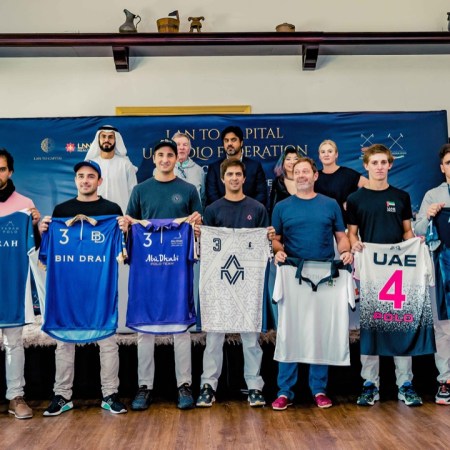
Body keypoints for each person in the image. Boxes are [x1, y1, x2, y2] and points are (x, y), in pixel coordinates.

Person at [39, 160, 127, 416]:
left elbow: (123, 250)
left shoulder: (112, 210)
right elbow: (48, 250)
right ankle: (62, 395)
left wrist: (124, 230)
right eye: (81, 176)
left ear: (100, 181)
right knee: (63, 342)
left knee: (108, 340)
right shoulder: (61, 210)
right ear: (75, 180)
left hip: (100, 287)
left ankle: (110, 394)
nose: (85, 180)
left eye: (90, 176)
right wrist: (43, 230)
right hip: (68, 289)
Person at [120, 138, 202, 411]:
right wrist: (126, 225)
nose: (165, 159)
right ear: (154, 159)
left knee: (181, 329)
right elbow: (130, 226)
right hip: (147, 271)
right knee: (145, 329)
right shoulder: (140, 190)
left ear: (177, 159)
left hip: (178, 271)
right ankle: (144, 387)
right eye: (161, 155)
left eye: (170, 155)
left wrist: (196, 225)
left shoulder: (188, 190)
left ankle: (184, 385)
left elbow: (198, 227)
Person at [271, 157, 353, 410]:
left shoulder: (330, 204)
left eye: (306, 171)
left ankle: (319, 389)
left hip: (324, 277)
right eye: (298, 172)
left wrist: (346, 251)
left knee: (320, 331)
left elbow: (341, 237)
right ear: (292, 176)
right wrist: (278, 251)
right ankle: (285, 390)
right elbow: (276, 239)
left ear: (315, 176)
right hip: (293, 275)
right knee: (290, 331)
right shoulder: (282, 207)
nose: (302, 175)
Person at [347, 144, 422, 407]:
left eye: (383, 162)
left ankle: (405, 384)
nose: (379, 167)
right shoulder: (355, 199)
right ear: (366, 166)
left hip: (399, 272)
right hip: (372, 271)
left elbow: (407, 232)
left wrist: (415, 244)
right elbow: (352, 233)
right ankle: (370, 384)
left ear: (390, 165)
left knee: (400, 325)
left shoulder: (401, 197)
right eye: (374, 162)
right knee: (372, 327)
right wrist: (354, 244)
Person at [195, 159, 273, 408]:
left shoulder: (257, 208)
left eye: (238, 174)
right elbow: (207, 248)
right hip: (219, 282)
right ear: (222, 178)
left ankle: (254, 386)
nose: (234, 178)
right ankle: (208, 385)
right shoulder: (212, 209)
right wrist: (200, 235)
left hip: (248, 283)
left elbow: (265, 246)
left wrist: (269, 237)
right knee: (214, 338)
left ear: (244, 178)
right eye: (230, 174)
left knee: (250, 339)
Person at [0, 148, 40, 419]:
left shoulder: (25, 205)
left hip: (13, 285)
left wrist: (34, 224)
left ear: (11, 171)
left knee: (14, 342)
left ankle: (16, 396)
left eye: (2, 169)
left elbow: (35, 248)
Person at [415, 143, 450, 405]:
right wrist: (428, 216)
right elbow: (417, 229)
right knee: (444, 327)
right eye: (449, 162)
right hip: (442, 266)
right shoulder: (432, 195)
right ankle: (446, 380)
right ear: (442, 167)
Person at [205, 126, 267, 207]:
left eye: (233, 140)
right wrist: (227, 210)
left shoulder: (255, 166)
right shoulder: (214, 168)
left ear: (241, 143)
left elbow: (261, 194)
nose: (229, 143)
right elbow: (212, 195)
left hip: (250, 212)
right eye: (226, 140)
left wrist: (246, 210)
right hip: (222, 212)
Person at [85, 124, 137, 213]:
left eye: (110, 137)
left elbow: (133, 193)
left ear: (116, 140)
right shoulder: (90, 165)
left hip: (120, 217)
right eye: (103, 136)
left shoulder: (126, 165)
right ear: (98, 139)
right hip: (94, 216)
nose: (106, 140)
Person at [315, 139, 368, 225]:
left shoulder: (348, 174)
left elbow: (370, 186)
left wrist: (353, 201)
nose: (326, 154)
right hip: (321, 225)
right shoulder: (314, 176)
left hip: (345, 225)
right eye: (323, 152)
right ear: (319, 156)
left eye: (330, 151)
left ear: (336, 154)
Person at [268, 147, 300, 215]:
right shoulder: (277, 182)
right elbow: (273, 207)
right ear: (283, 162)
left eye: (296, 159)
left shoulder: (306, 180)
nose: (292, 162)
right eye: (288, 159)